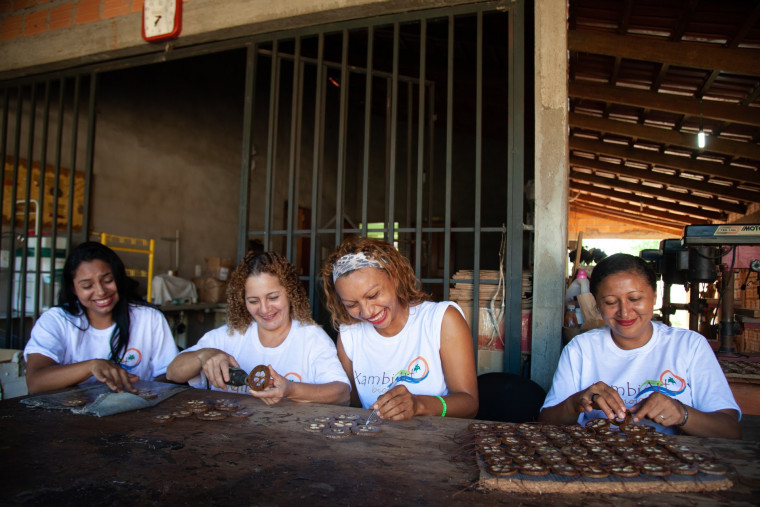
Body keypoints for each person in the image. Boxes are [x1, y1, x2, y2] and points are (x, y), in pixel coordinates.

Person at [539, 253, 741, 439]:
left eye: (635, 299)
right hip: (595, 461)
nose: (625, 312)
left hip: (676, 466)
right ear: (597, 306)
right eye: (610, 302)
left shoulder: (689, 346)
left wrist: (682, 414)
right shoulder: (581, 349)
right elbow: (546, 423)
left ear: (654, 296)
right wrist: (575, 403)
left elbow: (730, 431)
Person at [321, 236, 478, 421]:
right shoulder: (350, 334)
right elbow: (354, 407)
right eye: (351, 304)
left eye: (373, 295)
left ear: (394, 275)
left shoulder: (441, 320)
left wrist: (419, 405)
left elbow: (469, 405)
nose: (367, 311)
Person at [166, 251, 350, 406]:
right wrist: (203, 355)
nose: (264, 309)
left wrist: (291, 389)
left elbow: (342, 393)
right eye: (253, 301)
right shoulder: (230, 334)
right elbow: (172, 373)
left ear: (290, 293)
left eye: (273, 297)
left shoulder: (311, 338)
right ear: (242, 300)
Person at [24, 241, 179, 394]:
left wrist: (142, 394)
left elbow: (170, 374)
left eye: (107, 281)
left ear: (118, 278)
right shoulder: (56, 321)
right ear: (73, 288)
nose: (100, 292)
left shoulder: (149, 318)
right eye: (87, 286)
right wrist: (91, 367)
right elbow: (35, 382)